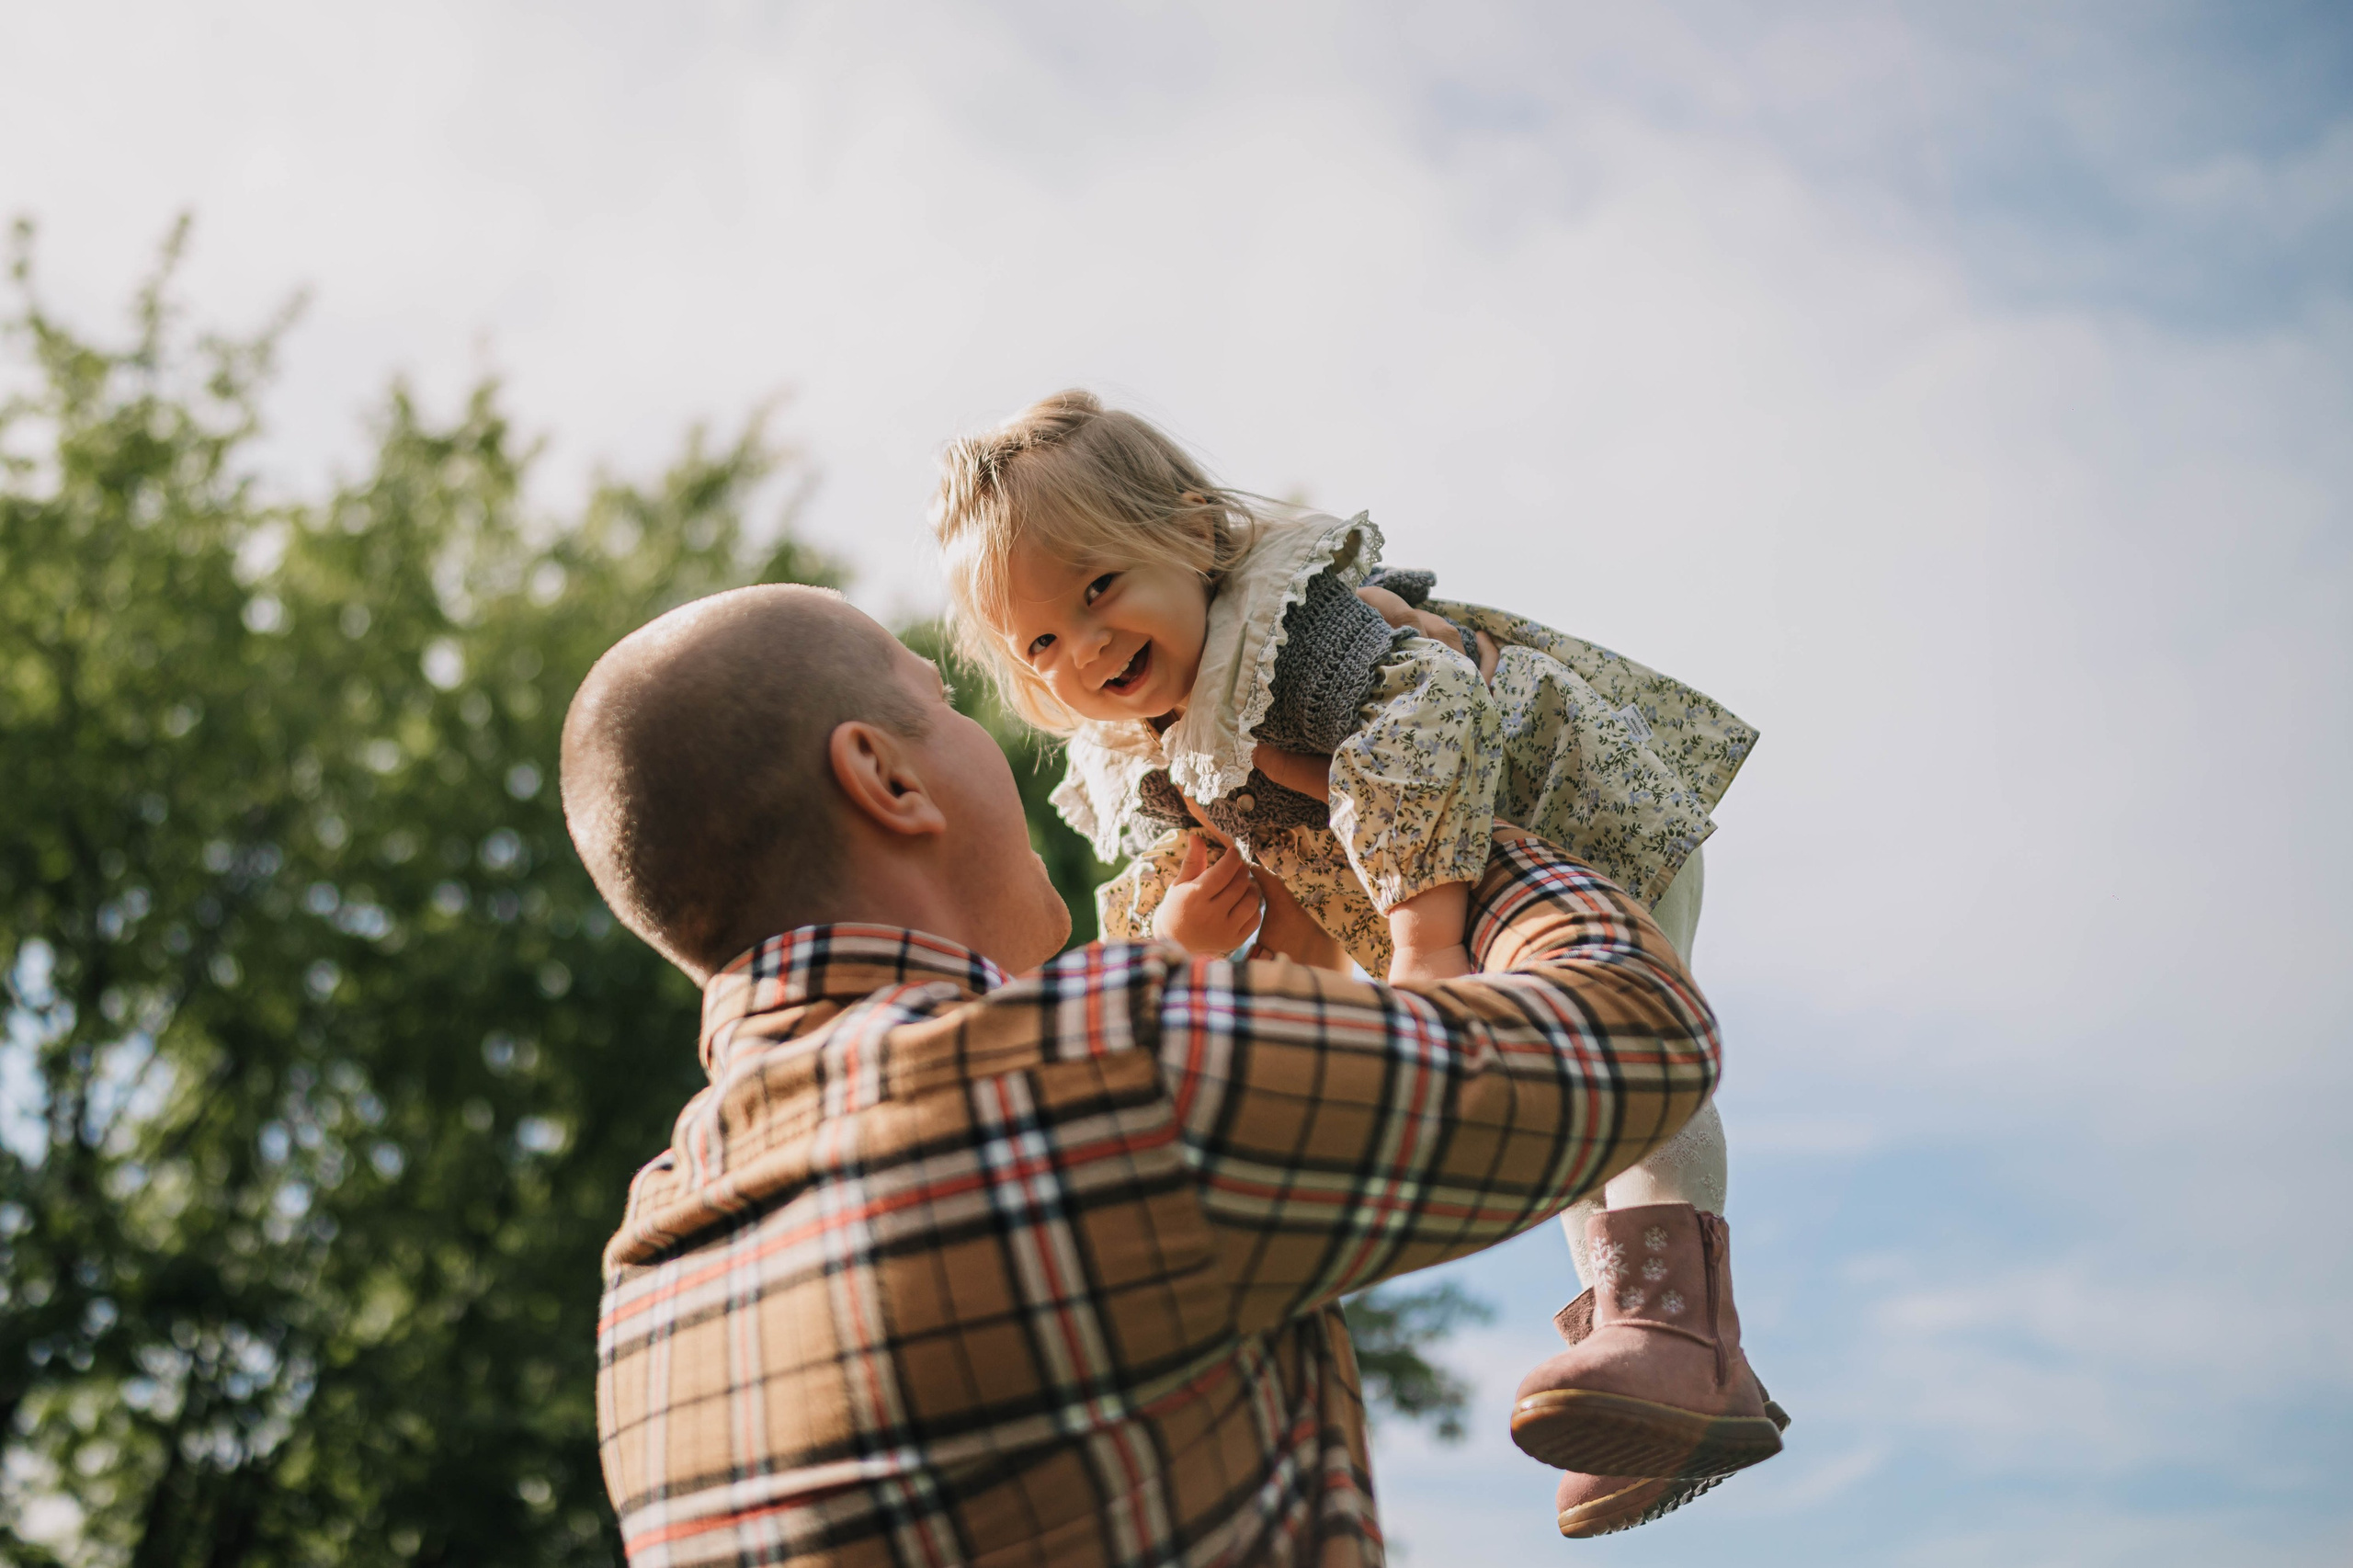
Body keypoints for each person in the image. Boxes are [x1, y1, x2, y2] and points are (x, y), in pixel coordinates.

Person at [560, 583, 1736, 1565]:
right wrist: (1428, 800)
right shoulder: (1094, 1064)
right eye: (948, 704)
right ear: (886, 778)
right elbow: (1642, 1034)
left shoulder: (643, 1290)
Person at [929, 392, 1784, 1537]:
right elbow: (1185, 885)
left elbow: (1422, 715)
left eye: (1098, 587)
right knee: (1573, 1117)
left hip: (1569, 820)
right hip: (1469, 884)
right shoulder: (1155, 751)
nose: (1083, 646)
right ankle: (1648, 1368)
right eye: (1040, 640)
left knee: (1622, 1061)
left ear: (1193, 533)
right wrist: (1174, 942)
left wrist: (1425, 943)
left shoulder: (1292, 639)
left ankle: (1681, 1336)